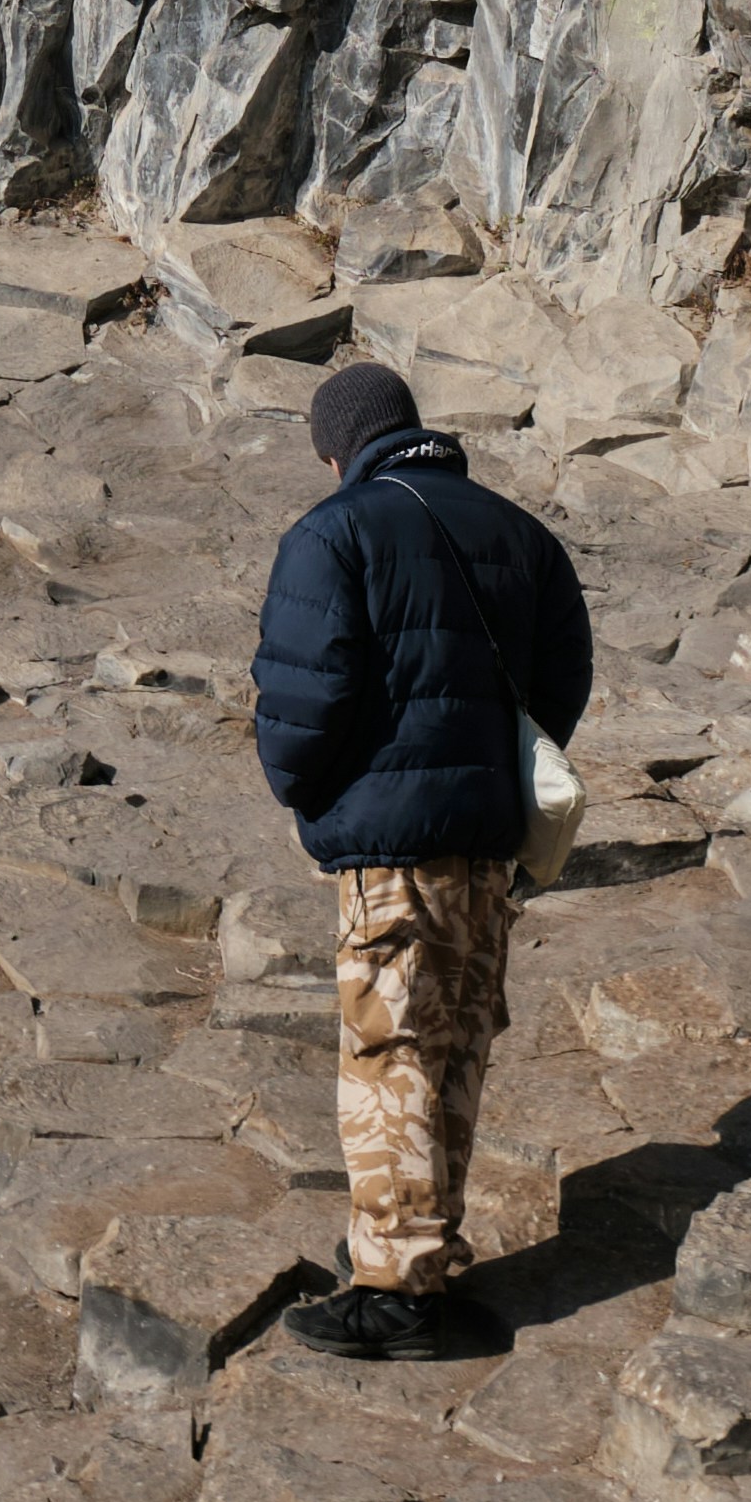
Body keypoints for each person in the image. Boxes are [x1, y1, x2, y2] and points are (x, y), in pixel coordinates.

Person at [248, 356, 592, 1358]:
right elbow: (559, 680)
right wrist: (484, 767)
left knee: (390, 1057)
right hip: (487, 842)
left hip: (390, 843)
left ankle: (397, 1291)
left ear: (335, 447)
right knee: (451, 1052)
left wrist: (307, 789)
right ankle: (419, 1254)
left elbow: (304, 696)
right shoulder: (520, 534)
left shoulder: (334, 531)